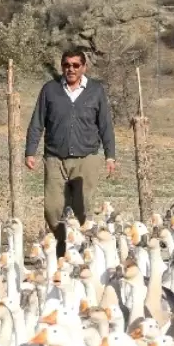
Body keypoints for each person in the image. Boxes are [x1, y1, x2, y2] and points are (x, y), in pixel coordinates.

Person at [24, 48, 115, 255]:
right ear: (61, 66)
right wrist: (30, 151)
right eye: (66, 65)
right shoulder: (50, 90)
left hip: (87, 157)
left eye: (75, 65)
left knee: (83, 207)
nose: (70, 69)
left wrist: (110, 155)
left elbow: (105, 125)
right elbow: (37, 122)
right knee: (53, 208)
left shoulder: (96, 90)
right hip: (55, 157)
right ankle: (61, 247)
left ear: (84, 67)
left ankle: (83, 251)